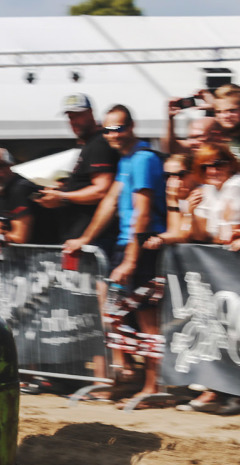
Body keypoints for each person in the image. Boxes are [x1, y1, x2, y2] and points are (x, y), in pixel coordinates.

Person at [63, 105, 167, 407]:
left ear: (131, 127)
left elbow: (143, 213)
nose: (113, 135)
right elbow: (109, 201)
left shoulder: (144, 159)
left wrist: (131, 259)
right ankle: (127, 378)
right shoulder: (127, 160)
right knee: (115, 314)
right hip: (127, 244)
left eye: (118, 128)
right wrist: (85, 238)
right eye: (108, 129)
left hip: (144, 247)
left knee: (148, 320)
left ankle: (153, 387)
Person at [35, 93, 119, 245]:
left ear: (90, 113)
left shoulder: (99, 143)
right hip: (81, 240)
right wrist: (62, 188)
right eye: (70, 117)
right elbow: (87, 185)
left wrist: (62, 197)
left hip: (94, 241)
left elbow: (101, 191)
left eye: (78, 115)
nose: (73, 122)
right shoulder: (88, 144)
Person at [191, 141, 240, 246]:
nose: (211, 171)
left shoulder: (238, 184)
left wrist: (214, 238)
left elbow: (228, 237)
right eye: (204, 167)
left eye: (218, 164)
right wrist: (191, 213)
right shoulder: (209, 190)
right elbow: (200, 237)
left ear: (230, 164)